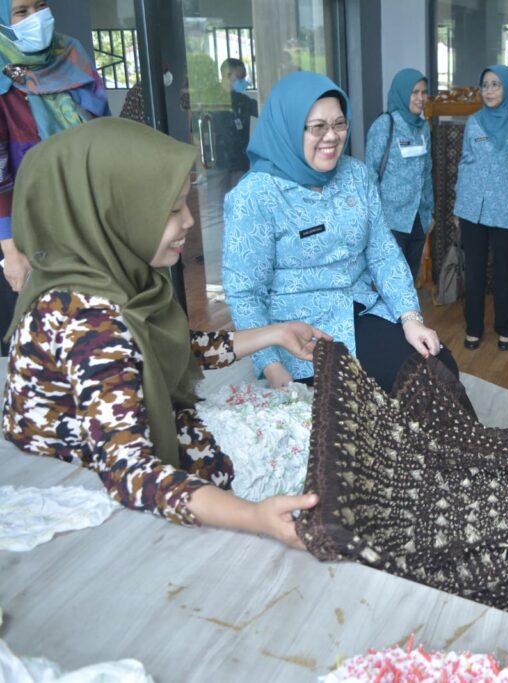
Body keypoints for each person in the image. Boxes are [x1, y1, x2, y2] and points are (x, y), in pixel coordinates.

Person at [2, 118, 327, 548]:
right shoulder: (88, 321)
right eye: (172, 210)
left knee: (306, 420)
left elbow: (172, 349)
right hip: (102, 474)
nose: (190, 220)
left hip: (139, 436)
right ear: (112, 214)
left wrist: (275, 334)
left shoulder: (109, 277)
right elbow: (130, 471)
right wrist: (254, 517)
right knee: (307, 442)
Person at [223, 71, 456, 392]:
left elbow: (384, 254)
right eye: (318, 127)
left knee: (439, 368)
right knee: (348, 404)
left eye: (339, 124)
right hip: (299, 337)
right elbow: (245, 294)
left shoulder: (356, 176)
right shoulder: (255, 196)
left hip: (358, 308)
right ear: (288, 126)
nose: (332, 136)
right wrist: (272, 367)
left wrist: (411, 318)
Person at [0, 0, 110, 353]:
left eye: (41, 5)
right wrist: (11, 251)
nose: (36, 17)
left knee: (95, 327)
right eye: (21, 11)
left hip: (85, 212)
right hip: (26, 228)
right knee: (41, 336)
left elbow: (104, 131)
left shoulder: (71, 54)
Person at [453, 64, 508, 352]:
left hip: (506, 209)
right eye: (485, 85)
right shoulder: (474, 122)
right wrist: (459, 205)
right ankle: (473, 329)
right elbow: (465, 163)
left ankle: (505, 329)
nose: (489, 91)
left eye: (495, 85)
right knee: (474, 272)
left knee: (504, 273)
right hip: (472, 209)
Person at [365, 68, 434, 280]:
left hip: (417, 219)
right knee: (391, 280)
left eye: (424, 92)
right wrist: (375, 219)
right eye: (414, 92)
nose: (420, 98)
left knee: (409, 279)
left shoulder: (423, 128)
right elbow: (370, 175)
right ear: (402, 92)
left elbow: (427, 173)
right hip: (390, 220)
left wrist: (429, 212)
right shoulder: (385, 124)